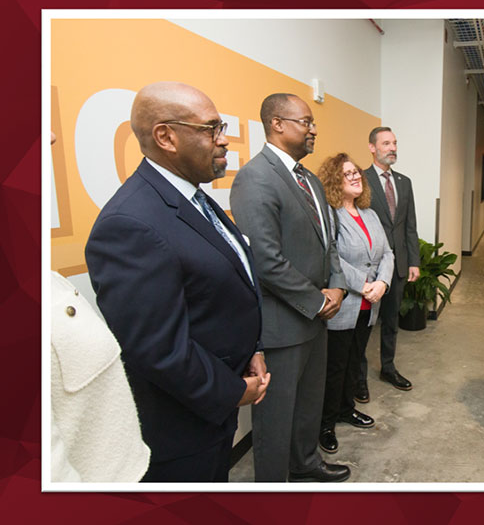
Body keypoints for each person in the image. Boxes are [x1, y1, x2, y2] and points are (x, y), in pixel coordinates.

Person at [85, 82, 269, 482]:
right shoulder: (130, 224)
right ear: (166, 136)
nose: (224, 142)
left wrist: (251, 349)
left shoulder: (193, 199)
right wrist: (232, 391)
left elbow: (222, 289)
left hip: (213, 412)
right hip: (180, 433)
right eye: (211, 129)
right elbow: (157, 348)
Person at [230, 93, 350, 483]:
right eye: (306, 122)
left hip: (317, 318)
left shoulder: (309, 178)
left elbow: (328, 242)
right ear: (277, 124)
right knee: (276, 418)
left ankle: (305, 462)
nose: (313, 129)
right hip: (284, 324)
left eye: (313, 122)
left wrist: (337, 287)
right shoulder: (255, 177)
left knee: (308, 407)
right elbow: (264, 260)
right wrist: (316, 301)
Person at [316, 153, 395, 454]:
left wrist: (383, 283)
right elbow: (330, 256)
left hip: (369, 304)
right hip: (346, 302)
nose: (355, 177)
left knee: (354, 362)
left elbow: (387, 253)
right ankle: (325, 423)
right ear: (334, 181)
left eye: (356, 172)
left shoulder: (370, 214)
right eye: (347, 173)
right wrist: (363, 285)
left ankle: (346, 409)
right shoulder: (330, 214)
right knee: (334, 367)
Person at [360, 127, 420, 400]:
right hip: (369, 267)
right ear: (372, 147)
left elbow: (409, 226)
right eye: (386, 143)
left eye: (394, 142)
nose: (392, 147)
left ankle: (388, 367)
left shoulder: (404, 182)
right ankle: (358, 378)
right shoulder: (360, 179)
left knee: (391, 320)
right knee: (362, 325)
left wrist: (413, 261)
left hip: (397, 267)